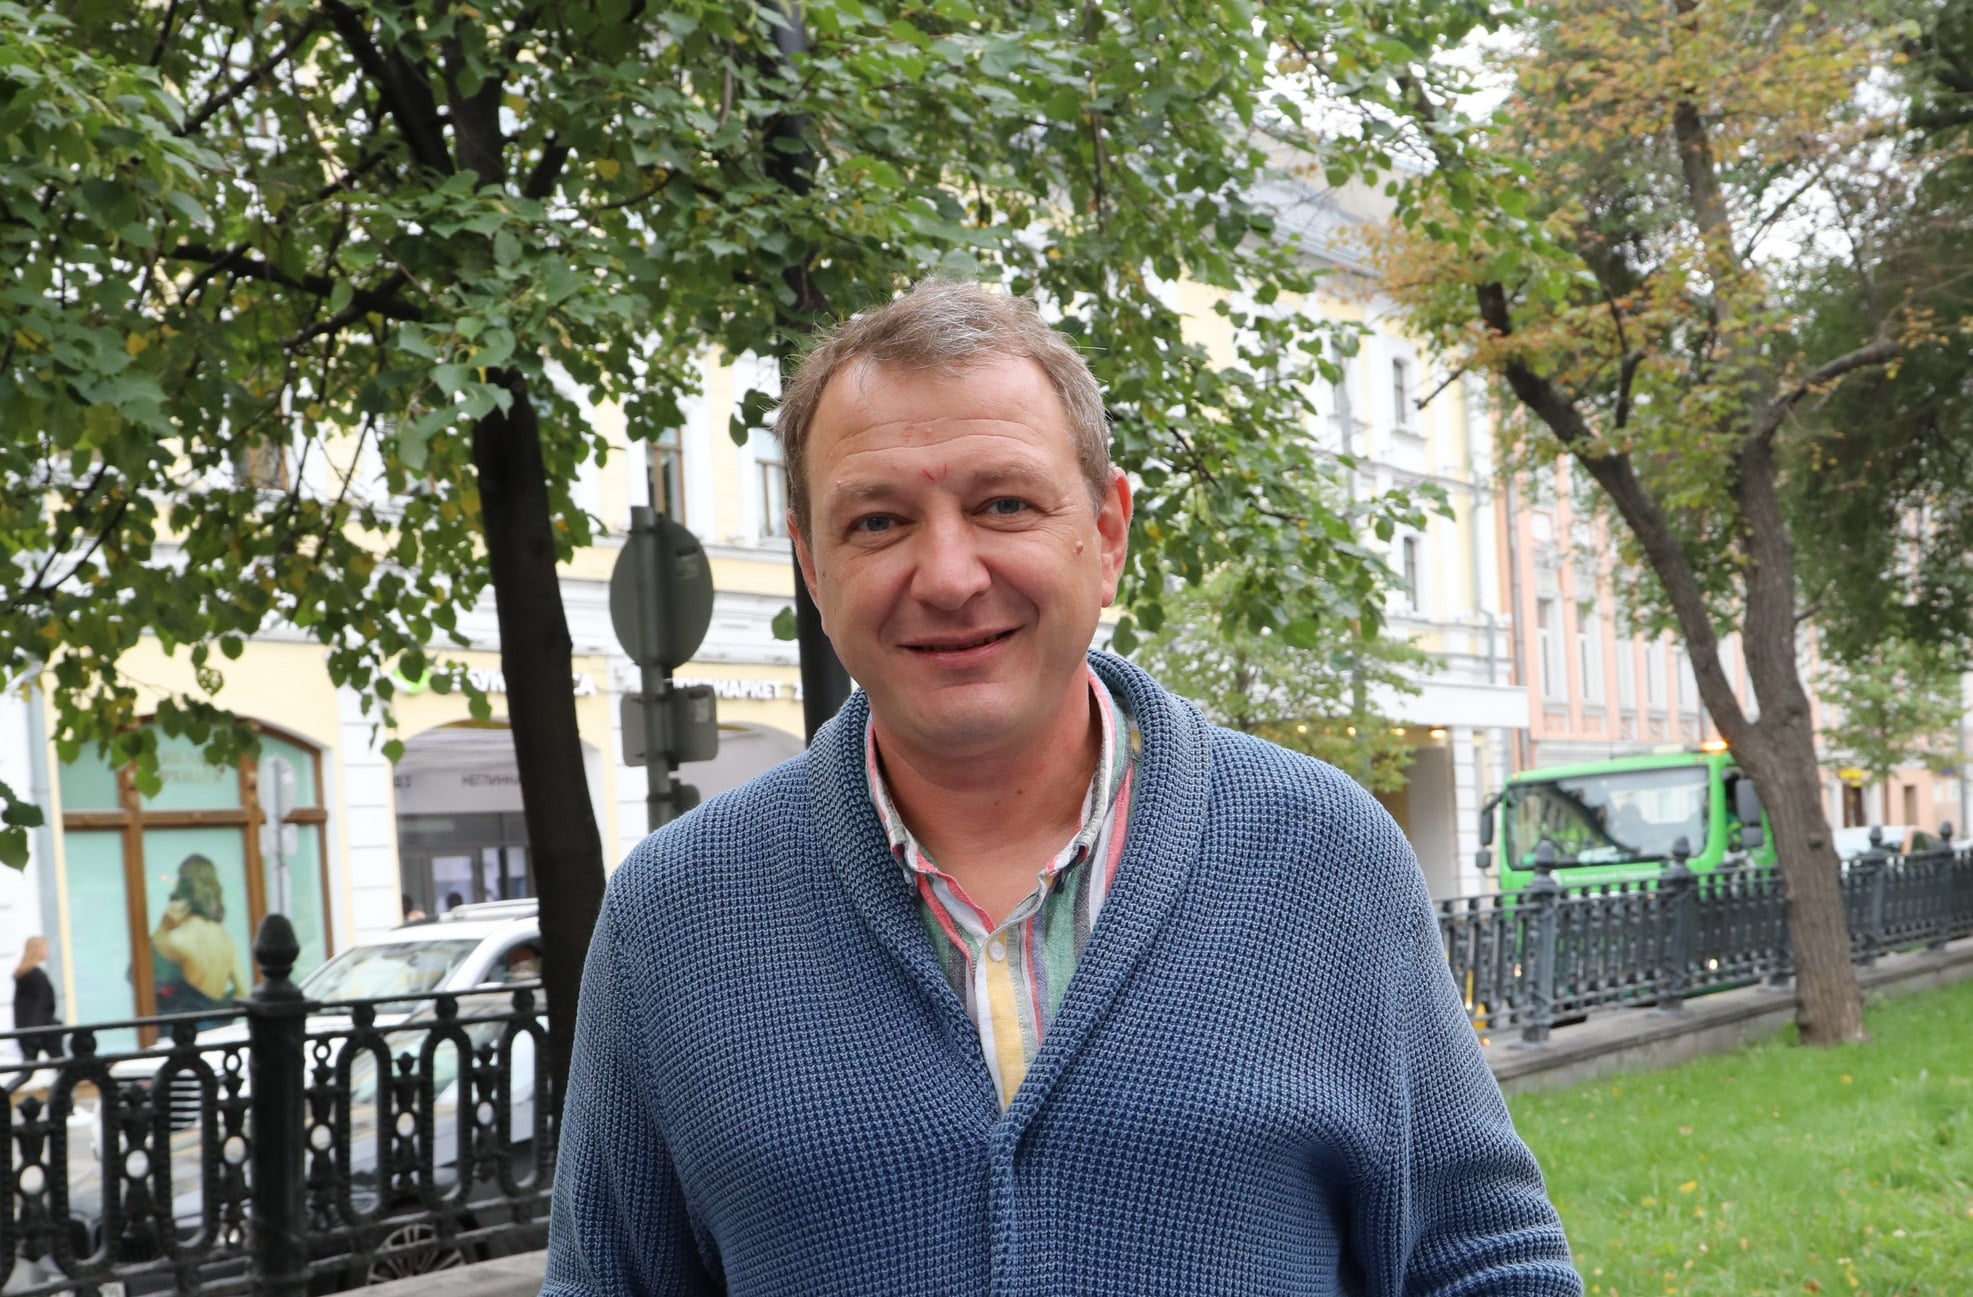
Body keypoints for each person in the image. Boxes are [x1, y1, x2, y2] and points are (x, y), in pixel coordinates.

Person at [544, 282, 1581, 1295]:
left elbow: (1481, 1260)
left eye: (1003, 504)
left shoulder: (1320, 854)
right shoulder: (673, 914)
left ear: (1107, 532)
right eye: (877, 522)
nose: (948, 575)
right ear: (812, 566)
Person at [152, 854, 249, 1027]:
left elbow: (137, 974)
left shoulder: (177, 940)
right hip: (218, 1032)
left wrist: (162, 927)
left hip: (184, 1034)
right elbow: (244, 991)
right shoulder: (224, 938)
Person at [12, 936, 59, 1063]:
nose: (47, 951)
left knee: (29, 1066)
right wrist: (36, 1031)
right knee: (60, 1064)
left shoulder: (23, 975)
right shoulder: (36, 976)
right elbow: (39, 1005)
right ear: (38, 950)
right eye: (45, 948)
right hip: (42, 1028)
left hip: (28, 1028)